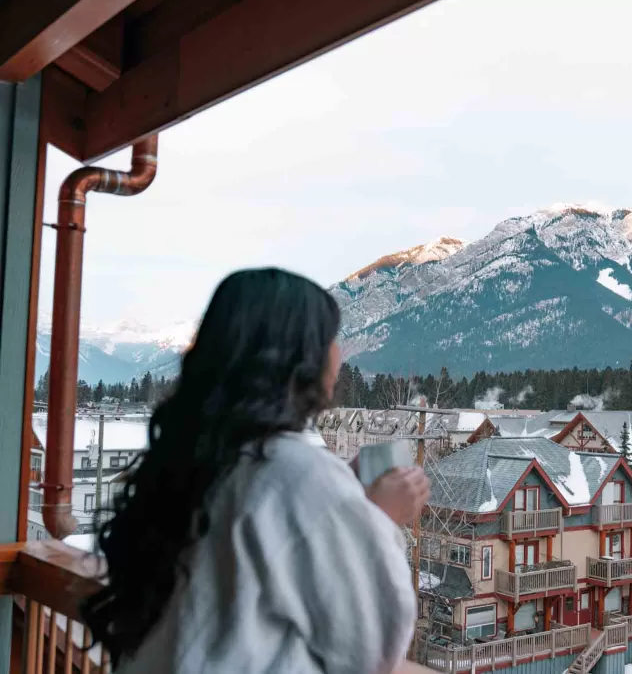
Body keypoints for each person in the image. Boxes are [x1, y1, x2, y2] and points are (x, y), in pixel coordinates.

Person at [81, 268, 431, 673]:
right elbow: (372, 647)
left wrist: (346, 497)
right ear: (299, 355)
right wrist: (376, 518)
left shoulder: (196, 459)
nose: (340, 351)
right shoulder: (299, 475)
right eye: (332, 337)